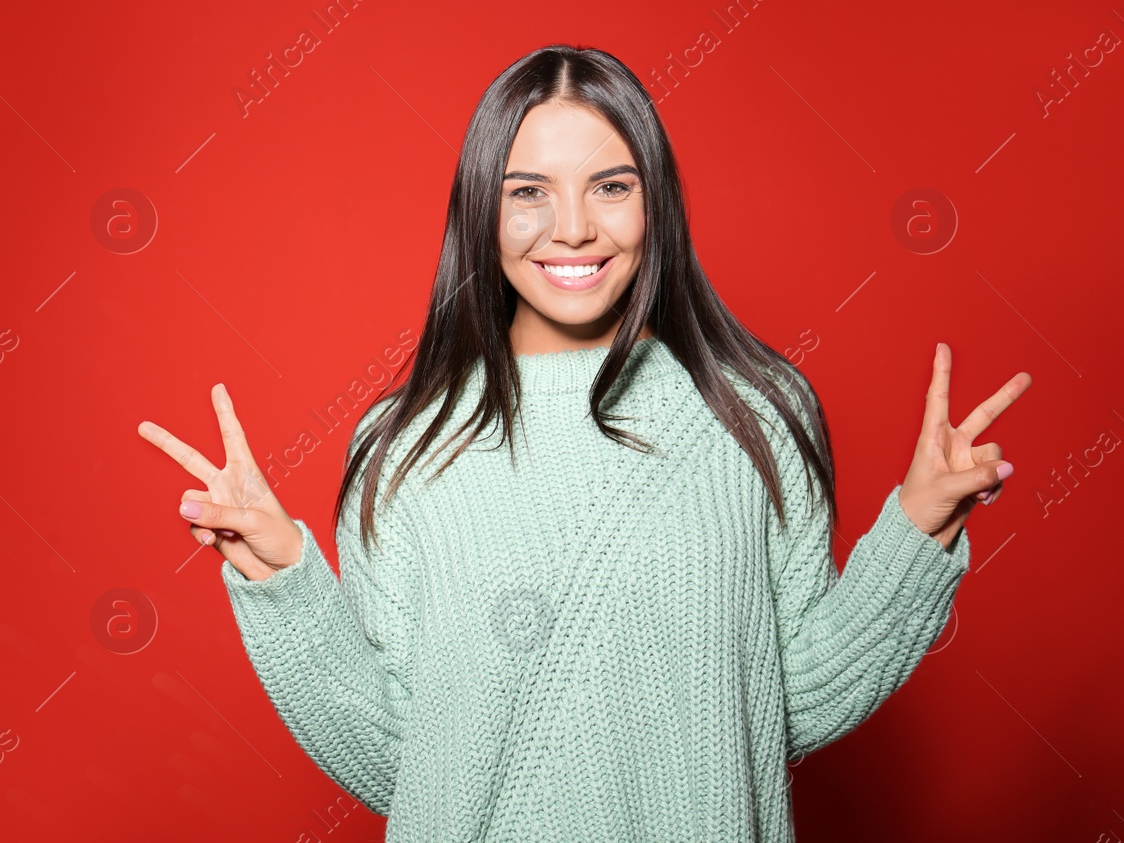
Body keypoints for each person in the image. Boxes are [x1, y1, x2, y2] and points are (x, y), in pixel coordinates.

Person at [137, 44, 1030, 842]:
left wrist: (920, 528)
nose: (573, 227)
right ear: (482, 213)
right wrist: (282, 577)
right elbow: (398, 754)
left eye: (611, 185)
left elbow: (783, 698)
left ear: (657, 203)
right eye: (528, 193)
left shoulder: (755, 411)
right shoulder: (405, 443)